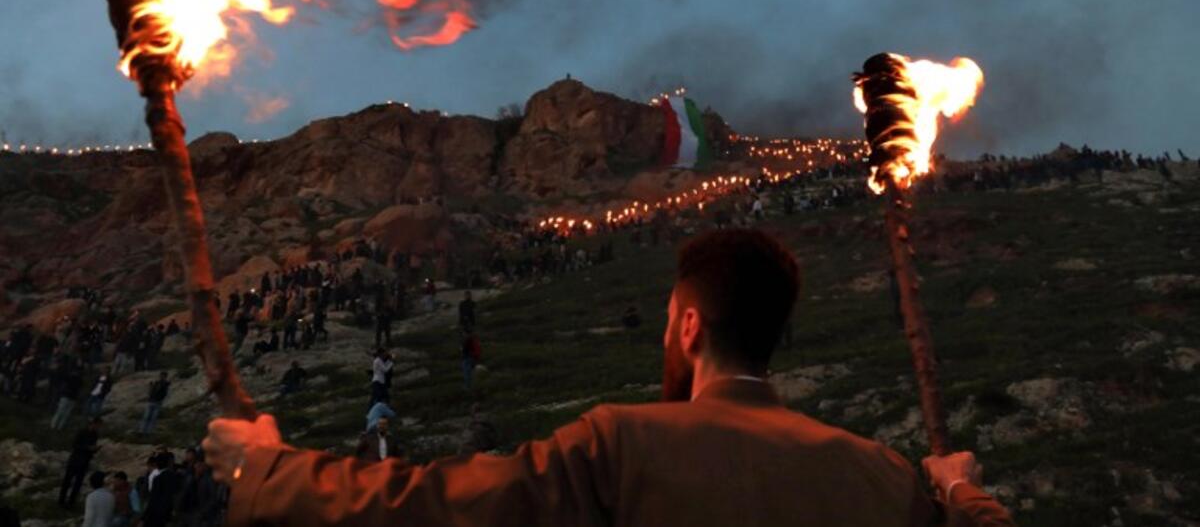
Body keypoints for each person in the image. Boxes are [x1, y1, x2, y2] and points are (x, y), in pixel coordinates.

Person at [203, 229, 1013, 526]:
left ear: (688, 327)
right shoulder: (885, 475)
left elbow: (438, 505)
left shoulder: (622, 444)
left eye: (667, 321)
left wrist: (268, 470)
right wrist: (958, 489)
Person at [59, 417, 101, 507]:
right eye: (97, 425)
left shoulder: (95, 435)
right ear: (93, 424)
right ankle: (61, 500)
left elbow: (91, 447)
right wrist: (87, 448)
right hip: (75, 459)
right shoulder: (82, 432)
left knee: (78, 483)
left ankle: (71, 502)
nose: (98, 427)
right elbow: (74, 445)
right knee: (67, 481)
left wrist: (95, 449)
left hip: (85, 461)